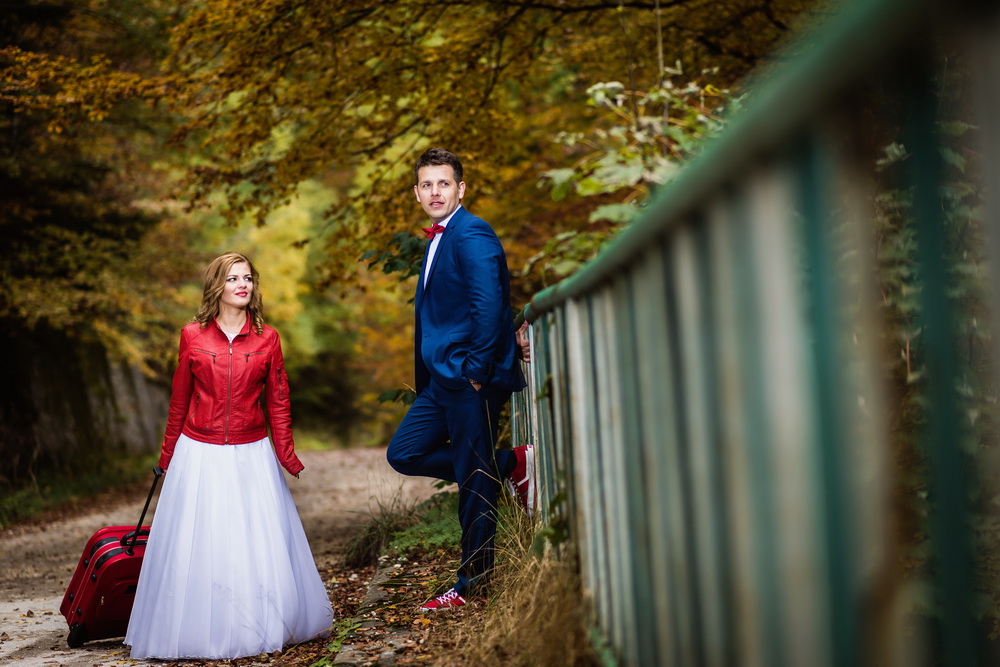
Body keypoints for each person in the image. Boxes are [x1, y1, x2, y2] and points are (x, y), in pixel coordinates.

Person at [125, 252, 333, 659]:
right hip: (198, 452)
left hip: (251, 451)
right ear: (217, 286)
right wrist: (166, 457)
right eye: (233, 278)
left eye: (249, 278)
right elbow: (179, 400)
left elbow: (278, 399)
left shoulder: (268, 338)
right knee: (201, 542)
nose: (243, 285)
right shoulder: (192, 336)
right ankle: (196, 631)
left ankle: (254, 625)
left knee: (251, 543)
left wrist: (287, 454)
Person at [386, 147, 534, 612]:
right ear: (416, 192)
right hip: (441, 380)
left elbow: (488, 304)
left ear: (460, 189)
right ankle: (509, 464)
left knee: (472, 482)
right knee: (405, 452)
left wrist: (476, 371)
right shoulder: (437, 239)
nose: (434, 191)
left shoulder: (471, 233)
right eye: (427, 184)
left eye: (443, 183)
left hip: (469, 378)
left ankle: (472, 586)